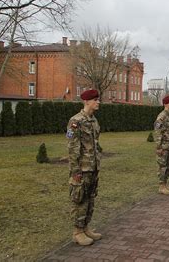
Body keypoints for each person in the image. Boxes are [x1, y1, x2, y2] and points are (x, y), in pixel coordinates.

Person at [67, 89, 102, 246]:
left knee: (90, 199)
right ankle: (77, 232)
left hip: (93, 167)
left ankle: (85, 227)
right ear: (87, 101)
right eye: (95, 100)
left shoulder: (94, 121)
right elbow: (72, 147)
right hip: (82, 168)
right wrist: (76, 171)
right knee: (80, 199)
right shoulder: (76, 121)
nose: (98, 102)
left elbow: (95, 144)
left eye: (98, 100)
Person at [154, 95, 169, 195]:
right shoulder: (161, 116)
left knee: (168, 166)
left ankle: (165, 184)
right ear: (165, 104)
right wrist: (159, 147)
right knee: (162, 166)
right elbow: (158, 132)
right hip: (163, 146)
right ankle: (161, 186)